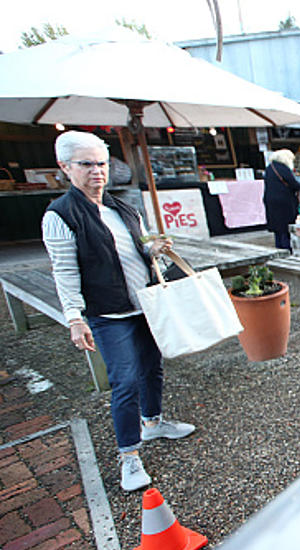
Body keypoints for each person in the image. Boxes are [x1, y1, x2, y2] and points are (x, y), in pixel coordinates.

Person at [42, 131, 195, 492]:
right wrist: (74, 317)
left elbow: (138, 249)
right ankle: (129, 455)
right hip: (108, 313)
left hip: (144, 304)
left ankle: (153, 422)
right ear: (65, 167)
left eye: (101, 163)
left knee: (152, 368)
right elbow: (63, 270)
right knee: (124, 381)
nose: (97, 171)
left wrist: (153, 249)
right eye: (86, 164)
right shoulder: (60, 215)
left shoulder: (121, 206)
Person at [263, 149, 300, 251]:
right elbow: (294, 184)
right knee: (285, 227)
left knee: (277, 228)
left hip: (270, 200)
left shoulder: (269, 168)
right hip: (283, 201)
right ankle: (286, 249)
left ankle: (278, 247)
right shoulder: (283, 169)